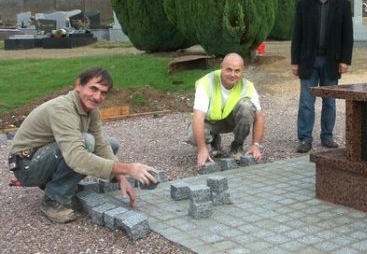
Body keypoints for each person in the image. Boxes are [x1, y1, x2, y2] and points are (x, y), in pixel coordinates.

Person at [7, 67, 158, 224]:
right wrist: (129, 168)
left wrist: (120, 177)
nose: (97, 96)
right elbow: (77, 158)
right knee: (85, 143)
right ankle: (53, 201)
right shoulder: (62, 108)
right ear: (79, 85)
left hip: (45, 158)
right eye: (93, 88)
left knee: (110, 144)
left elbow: (102, 145)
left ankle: (57, 185)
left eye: (103, 92)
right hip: (26, 165)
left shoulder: (91, 111)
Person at [291, 0, 353, 153]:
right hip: (308, 60)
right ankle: (304, 139)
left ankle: (327, 136)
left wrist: (345, 60)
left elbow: (347, 35)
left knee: (330, 101)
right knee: (306, 102)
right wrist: (295, 61)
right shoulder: (303, 5)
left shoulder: (343, 5)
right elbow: (297, 34)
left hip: (331, 61)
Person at [187, 53, 264, 169]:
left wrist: (256, 145)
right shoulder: (206, 82)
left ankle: (237, 145)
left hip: (231, 122)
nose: (232, 74)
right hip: (211, 123)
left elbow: (259, 117)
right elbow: (198, 118)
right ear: (221, 67)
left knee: (246, 107)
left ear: (242, 71)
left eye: (237, 71)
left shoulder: (248, 86)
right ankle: (213, 141)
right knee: (193, 135)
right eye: (229, 70)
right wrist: (202, 149)